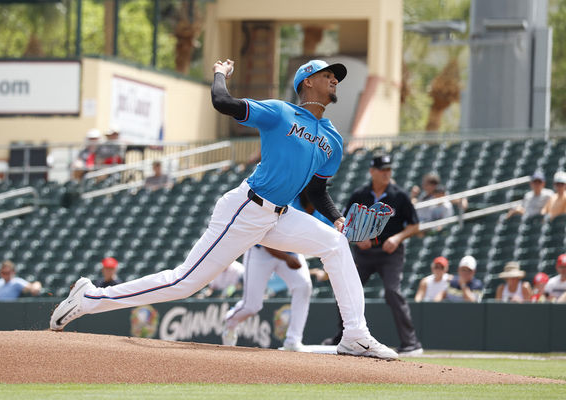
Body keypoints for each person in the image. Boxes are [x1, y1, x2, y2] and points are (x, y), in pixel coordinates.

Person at [49, 59, 398, 360]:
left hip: (280, 216)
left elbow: (317, 189)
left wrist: (336, 217)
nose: (335, 79)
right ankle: (92, 297)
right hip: (246, 208)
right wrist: (219, 73)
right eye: (327, 74)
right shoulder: (280, 112)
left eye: (336, 76)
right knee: (184, 282)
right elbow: (222, 101)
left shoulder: (333, 138)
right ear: (307, 81)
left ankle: (354, 336)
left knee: (335, 245)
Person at [322, 152, 422, 356]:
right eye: (382, 170)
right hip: (364, 253)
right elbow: (346, 222)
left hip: (390, 253)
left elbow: (415, 226)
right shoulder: (360, 194)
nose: (387, 173)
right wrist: (358, 237)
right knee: (346, 288)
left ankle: (411, 343)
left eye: (389, 170)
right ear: (372, 171)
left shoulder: (399, 195)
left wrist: (397, 238)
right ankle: (343, 337)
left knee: (392, 292)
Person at [222, 191, 329, 352]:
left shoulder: (322, 209)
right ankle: (230, 321)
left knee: (303, 286)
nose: (320, 190)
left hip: (291, 252)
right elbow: (263, 236)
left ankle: (293, 341)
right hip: (261, 250)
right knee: (252, 306)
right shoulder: (290, 202)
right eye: (314, 186)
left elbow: (329, 240)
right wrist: (287, 258)